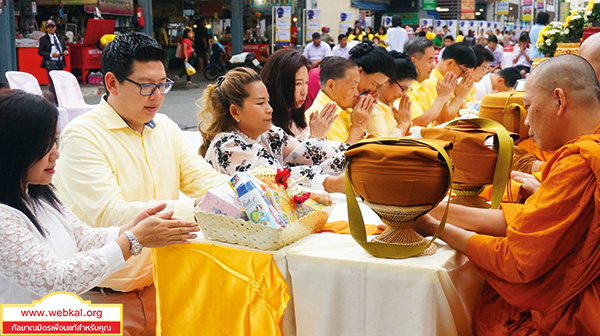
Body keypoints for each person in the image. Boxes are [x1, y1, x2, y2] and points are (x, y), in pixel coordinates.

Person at [54, 32, 229, 335]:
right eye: (147, 86)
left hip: (162, 287)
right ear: (111, 83)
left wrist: (248, 190)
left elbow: (205, 180)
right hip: (102, 298)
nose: (158, 95)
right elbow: (111, 213)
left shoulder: (165, 128)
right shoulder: (82, 136)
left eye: (163, 84)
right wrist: (197, 208)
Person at [415, 54, 600, 335]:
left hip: (584, 316)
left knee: (493, 317)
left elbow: (517, 261)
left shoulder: (581, 163)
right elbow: (532, 221)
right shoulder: (587, 152)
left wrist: (433, 226)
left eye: (528, 107)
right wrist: (439, 211)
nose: (525, 125)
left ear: (559, 101)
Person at [0, 90, 199, 305]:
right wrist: (134, 240)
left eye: (55, 141)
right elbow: (56, 280)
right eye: (46, 144)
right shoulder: (4, 217)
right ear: (16, 149)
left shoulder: (38, 195)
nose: (56, 154)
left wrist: (130, 229)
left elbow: (83, 238)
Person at [198, 67, 347, 193]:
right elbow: (275, 178)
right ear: (235, 112)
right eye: (260, 103)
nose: (269, 109)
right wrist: (331, 183)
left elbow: (307, 152)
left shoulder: (269, 134)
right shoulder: (227, 146)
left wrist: (353, 153)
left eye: (267, 101)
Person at [261, 49, 337, 140]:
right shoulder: (267, 125)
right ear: (279, 84)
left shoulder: (297, 118)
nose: (304, 91)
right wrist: (316, 137)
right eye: (298, 83)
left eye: (306, 82)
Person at [304, 57, 375, 144]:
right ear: (331, 86)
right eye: (352, 87)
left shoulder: (347, 109)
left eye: (357, 87)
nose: (357, 94)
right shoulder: (320, 116)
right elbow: (340, 157)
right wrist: (357, 127)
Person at [305, 41, 395, 108]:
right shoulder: (320, 77)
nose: (373, 90)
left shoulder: (354, 94)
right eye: (374, 84)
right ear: (360, 71)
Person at [404, 37, 457, 127]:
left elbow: (440, 120)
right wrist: (442, 97)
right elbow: (418, 123)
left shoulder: (426, 82)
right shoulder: (405, 88)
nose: (433, 66)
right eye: (430, 60)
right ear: (414, 61)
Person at [421, 42, 477, 124]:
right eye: (463, 71)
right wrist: (459, 97)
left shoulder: (456, 81)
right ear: (450, 63)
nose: (463, 75)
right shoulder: (431, 82)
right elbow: (441, 120)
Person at [366, 51, 417, 137]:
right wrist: (402, 124)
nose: (403, 94)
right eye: (403, 89)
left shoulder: (395, 104)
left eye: (407, 90)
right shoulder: (372, 108)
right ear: (387, 80)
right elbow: (383, 147)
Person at [38, 19, 68, 104]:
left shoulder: (60, 37)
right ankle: (56, 100)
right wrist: (51, 55)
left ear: (55, 27)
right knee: (53, 82)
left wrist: (65, 52)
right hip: (50, 62)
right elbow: (41, 51)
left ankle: (58, 98)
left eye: (52, 27)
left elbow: (64, 47)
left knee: (60, 81)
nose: (51, 29)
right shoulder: (43, 39)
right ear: (46, 29)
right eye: (48, 27)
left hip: (60, 61)